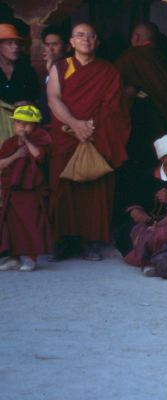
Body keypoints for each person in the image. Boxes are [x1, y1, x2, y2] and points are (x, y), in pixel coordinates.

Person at [47, 23, 130, 261]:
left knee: (95, 190)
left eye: (91, 36)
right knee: (62, 188)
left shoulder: (108, 71)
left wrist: (90, 129)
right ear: (71, 42)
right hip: (66, 136)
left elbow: (114, 108)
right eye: (80, 35)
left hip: (96, 137)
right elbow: (53, 99)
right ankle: (63, 240)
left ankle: (90, 241)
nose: (86, 39)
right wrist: (75, 125)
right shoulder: (60, 67)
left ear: (97, 43)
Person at [114, 22, 167, 215]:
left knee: (138, 169)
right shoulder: (164, 59)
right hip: (166, 124)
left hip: (141, 123)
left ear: (135, 38)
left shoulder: (131, 57)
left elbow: (117, 91)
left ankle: (136, 210)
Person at [0, 104, 52, 271]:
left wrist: (27, 141)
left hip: (31, 190)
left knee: (31, 223)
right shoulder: (9, 143)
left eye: (27, 123)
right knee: (11, 224)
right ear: (13, 124)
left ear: (35, 126)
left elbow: (39, 157)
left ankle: (31, 257)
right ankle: (14, 258)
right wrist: (15, 156)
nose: (22, 127)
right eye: (18, 123)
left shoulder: (42, 139)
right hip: (11, 189)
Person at [0, 24, 41, 145]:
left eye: (17, 44)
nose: (15, 48)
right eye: (10, 43)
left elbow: (38, 99)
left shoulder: (27, 71)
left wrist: (29, 103)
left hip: (23, 126)